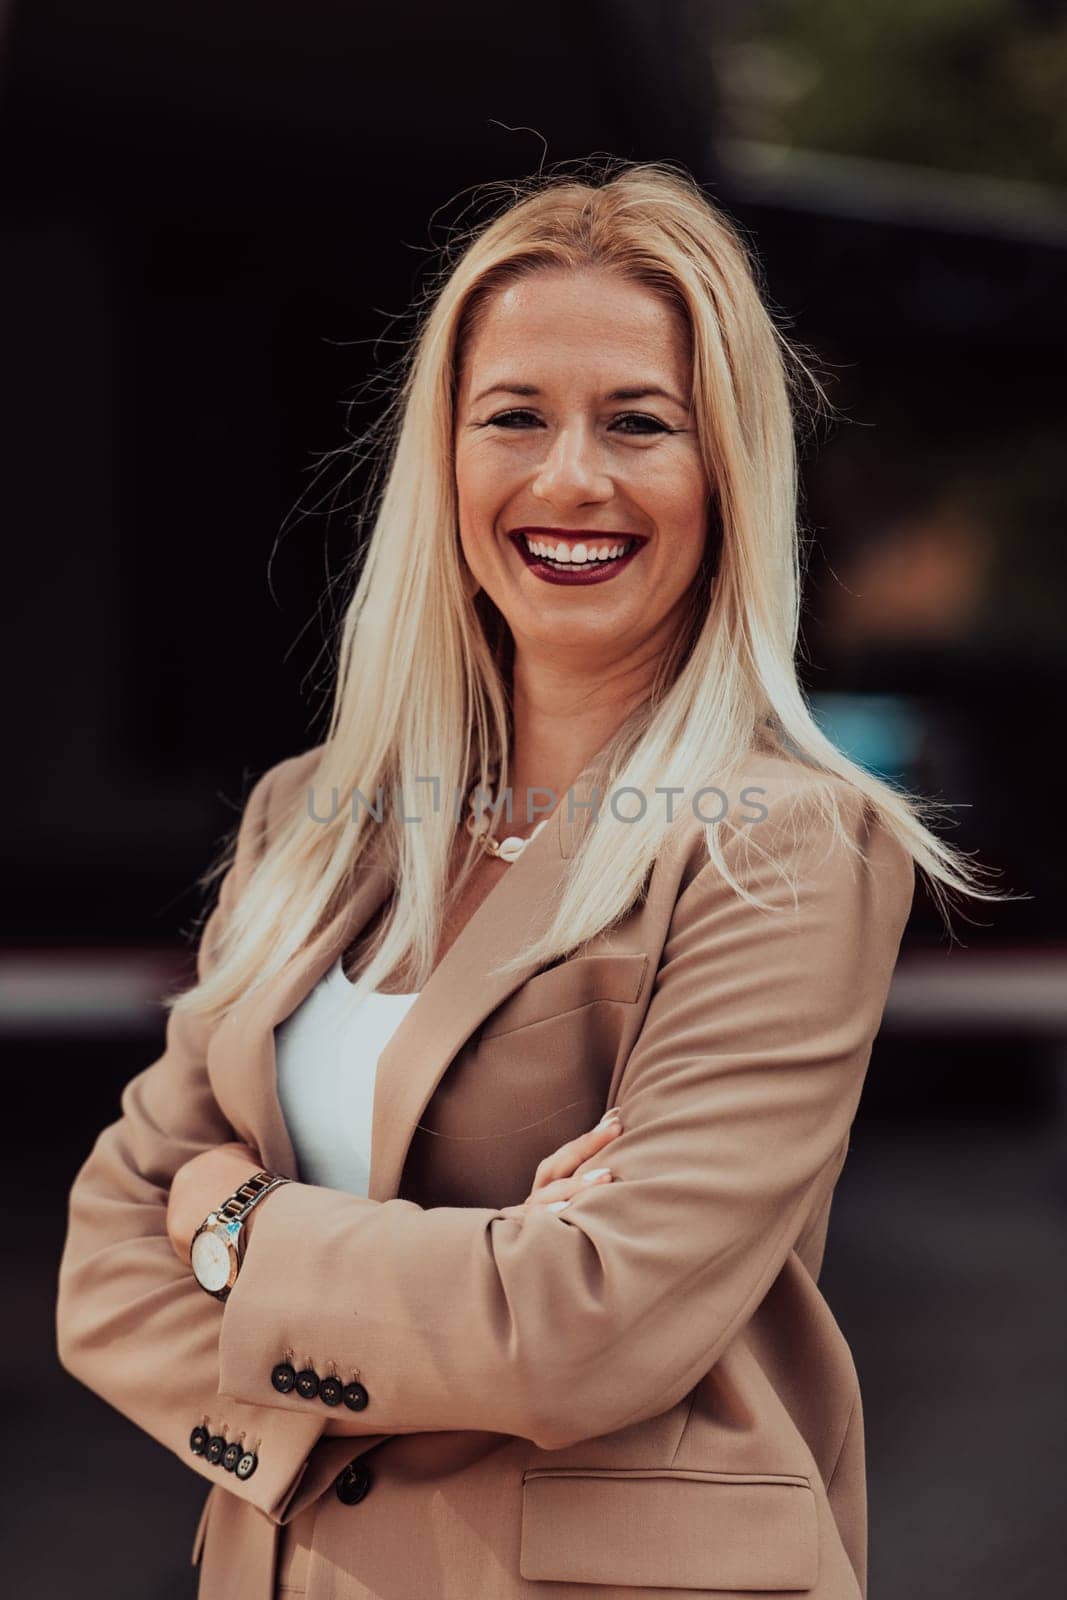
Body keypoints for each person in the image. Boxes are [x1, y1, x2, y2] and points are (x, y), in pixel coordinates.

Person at [56, 159, 1001, 1600]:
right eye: (515, 418)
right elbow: (107, 1266)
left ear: (725, 471)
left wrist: (240, 1228)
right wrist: (470, 1287)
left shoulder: (783, 840)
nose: (573, 478)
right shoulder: (308, 817)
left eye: (640, 423)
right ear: (444, 457)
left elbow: (588, 1330)